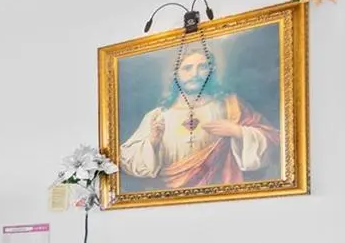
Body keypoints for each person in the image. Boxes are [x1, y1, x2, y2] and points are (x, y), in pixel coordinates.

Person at [119, 45, 277, 189]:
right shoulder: (157, 115)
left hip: (221, 193)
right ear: (176, 75)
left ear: (211, 72)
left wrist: (237, 131)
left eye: (202, 67)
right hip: (170, 196)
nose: (194, 74)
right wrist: (152, 142)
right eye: (187, 68)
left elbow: (274, 140)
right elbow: (127, 161)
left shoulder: (231, 106)